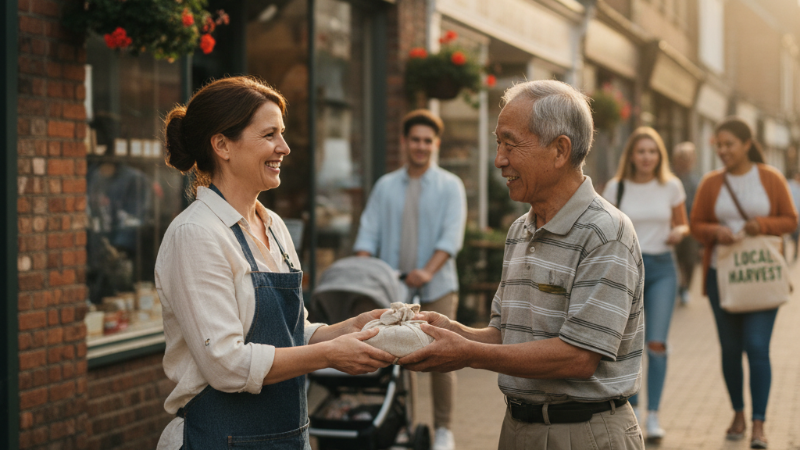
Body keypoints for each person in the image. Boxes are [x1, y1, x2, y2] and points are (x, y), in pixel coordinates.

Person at [399, 80, 645, 450]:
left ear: (560, 150)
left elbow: (578, 358)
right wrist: (452, 332)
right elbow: (505, 335)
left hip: (585, 433)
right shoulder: (520, 230)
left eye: (510, 144)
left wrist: (467, 354)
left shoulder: (606, 232)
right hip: (517, 428)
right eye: (498, 143)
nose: (499, 159)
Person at [154, 76, 394, 450]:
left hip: (289, 437)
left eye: (282, 134)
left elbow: (291, 334)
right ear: (222, 145)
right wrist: (329, 355)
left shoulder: (274, 226)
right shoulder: (196, 234)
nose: (284, 147)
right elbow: (226, 364)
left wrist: (348, 329)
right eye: (269, 135)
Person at [354, 109, 467, 450]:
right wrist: (367, 270)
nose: (421, 146)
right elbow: (367, 234)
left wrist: (427, 271)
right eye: (415, 140)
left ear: (436, 144)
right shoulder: (385, 186)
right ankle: (404, 425)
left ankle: (444, 429)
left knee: (443, 356)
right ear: (404, 142)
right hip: (394, 290)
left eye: (427, 141)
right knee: (399, 358)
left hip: (437, 287)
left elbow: (451, 238)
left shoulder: (451, 186)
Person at [690, 117, 797, 449]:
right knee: (731, 350)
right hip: (722, 277)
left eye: (729, 144)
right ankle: (738, 412)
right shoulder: (711, 183)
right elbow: (695, 224)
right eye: (718, 145)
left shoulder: (770, 178)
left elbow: (791, 220)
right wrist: (714, 231)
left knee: (757, 346)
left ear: (747, 144)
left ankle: (759, 423)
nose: (722, 150)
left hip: (762, 276)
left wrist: (761, 225)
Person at [601, 127, 689, 443]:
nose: (647, 157)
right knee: (628, 345)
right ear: (631, 155)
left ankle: (653, 415)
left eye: (652, 151)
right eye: (641, 151)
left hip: (663, 269)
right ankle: (633, 412)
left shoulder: (671, 185)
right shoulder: (616, 187)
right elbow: (605, 226)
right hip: (626, 270)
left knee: (656, 344)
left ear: (660, 155)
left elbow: (683, 223)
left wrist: (679, 232)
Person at [673, 142, 701, 303]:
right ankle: (676, 286)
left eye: (688, 157)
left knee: (689, 260)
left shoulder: (697, 181)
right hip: (672, 227)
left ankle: (685, 288)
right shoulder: (669, 179)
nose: (685, 161)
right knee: (675, 259)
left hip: (690, 228)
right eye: (682, 157)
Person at [787, 171, 800, 261]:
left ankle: (795, 253)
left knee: (796, 236)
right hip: (789, 215)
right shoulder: (790, 185)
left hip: (798, 216)